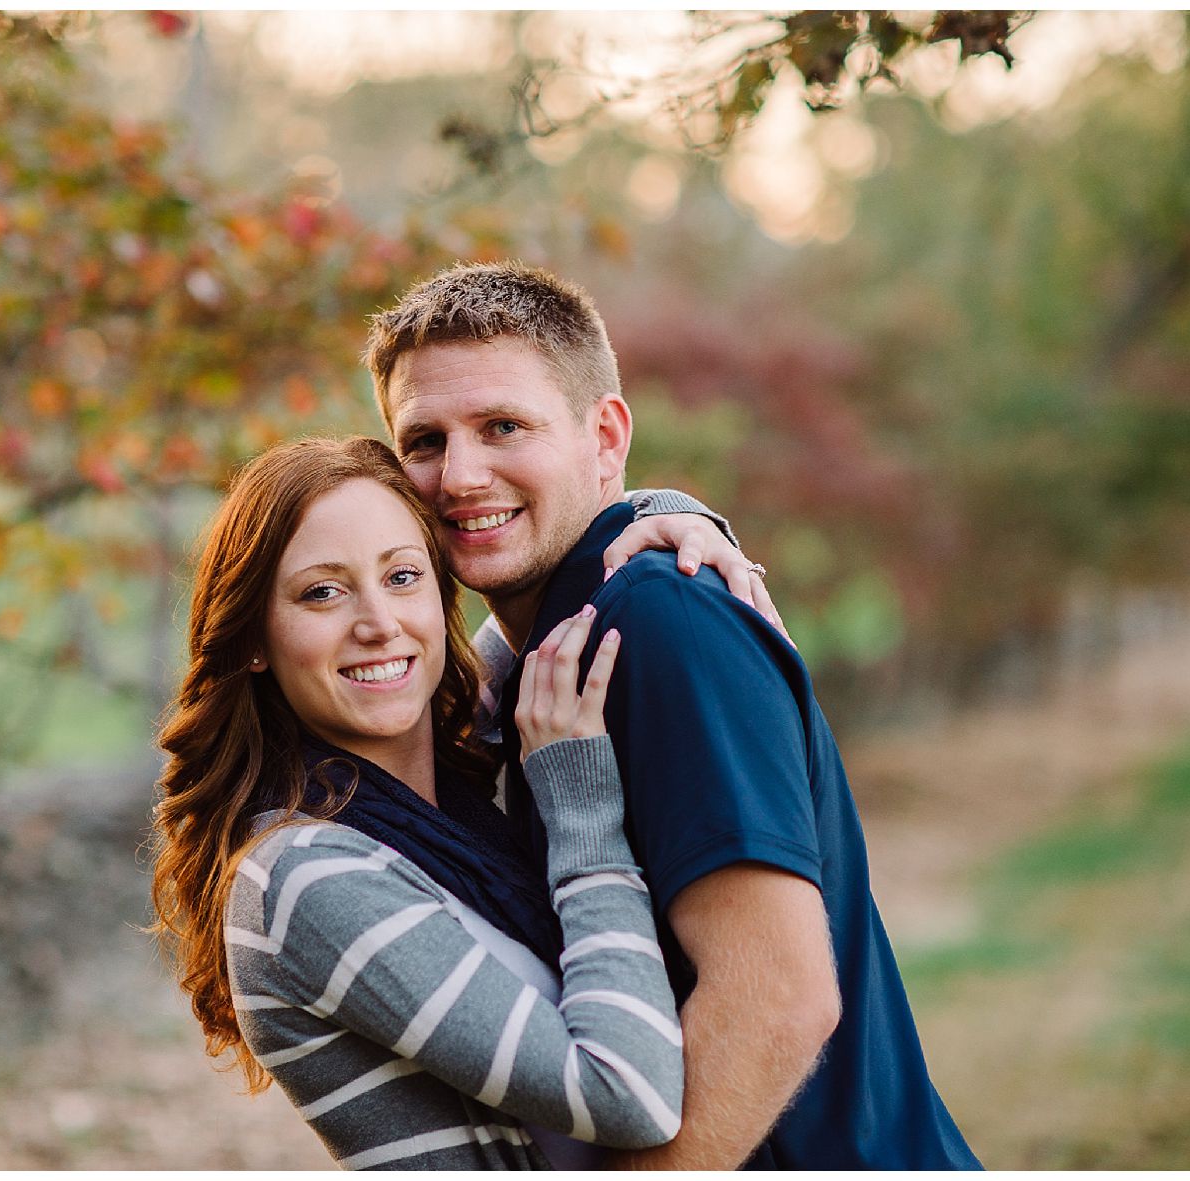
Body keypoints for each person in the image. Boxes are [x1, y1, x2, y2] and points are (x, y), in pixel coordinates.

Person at [364, 261, 982, 1169]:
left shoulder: (661, 620)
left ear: (604, 435)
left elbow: (778, 997)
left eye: (504, 426)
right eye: (423, 441)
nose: (459, 474)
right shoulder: (533, 667)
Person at [151, 436, 700, 1169]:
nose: (379, 622)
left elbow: (548, 614)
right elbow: (626, 1093)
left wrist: (673, 519)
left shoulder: (433, 780)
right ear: (253, 637)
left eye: (402, 576)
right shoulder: (303, 873)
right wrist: (584, 821)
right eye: (323, 591)